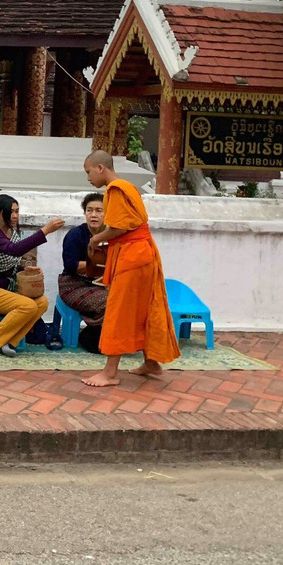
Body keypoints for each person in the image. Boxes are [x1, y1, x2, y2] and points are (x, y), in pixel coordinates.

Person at [80, 150, 180, 387]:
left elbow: (120, 229)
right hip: (142, 253)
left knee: (120, 311)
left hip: (133, 255)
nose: (88, 178)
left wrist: (96, 240)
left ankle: (110, 373)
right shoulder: (128, 187)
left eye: (88, 172)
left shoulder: (116, 189)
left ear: (100, 168)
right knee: (146, 308)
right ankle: (152, 362)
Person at [0, 194, 65, 358]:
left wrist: (24, 269)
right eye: (10, 212)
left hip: (4, 287)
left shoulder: (10, 231)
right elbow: (13, 250)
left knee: (41, 302)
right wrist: (45, 231)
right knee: (27, 306)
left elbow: (6, 263)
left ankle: (10, 341)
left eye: (17, 211)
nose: (15, 216)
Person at [57, 192, 109, 327]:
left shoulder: (111, 235)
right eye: (89, 210)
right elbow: (70, 265)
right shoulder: (76, 234)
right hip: (73, 285)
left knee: (129, 300)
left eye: (99, 211)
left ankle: (100, 335)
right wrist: (101, 265)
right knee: (111, 302)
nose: (93, 215)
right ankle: (95, 337)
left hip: (101, 284)